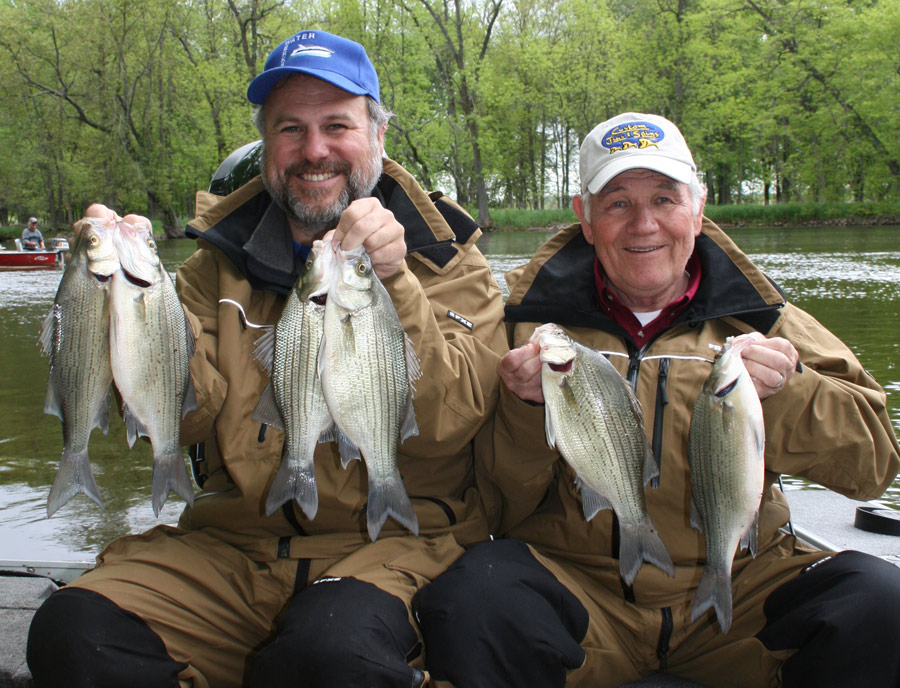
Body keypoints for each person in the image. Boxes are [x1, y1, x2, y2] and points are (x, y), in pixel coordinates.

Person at [27, 29, 507, 688]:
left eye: (337, 124)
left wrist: (394, 282)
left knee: (329, 656)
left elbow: (453, 419)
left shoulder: (452, 262)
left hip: (395, 549)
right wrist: (124, 312)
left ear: (378, 135)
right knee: (75, 633)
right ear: (267, 145)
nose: (314, 150)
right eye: (290, 129)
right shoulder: (208, 268)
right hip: (231, 547)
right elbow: (189, 421)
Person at [413, 113, 900, 688]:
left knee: (880, 604)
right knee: (470, 600)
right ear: (585, 218)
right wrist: (526, 415)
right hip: (580, 594)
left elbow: (874, 468)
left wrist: (788, 394)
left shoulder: (766, 318)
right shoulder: (519, 321)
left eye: (666, 198)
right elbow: (495, 507)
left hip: (746, 587)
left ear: (698, 208)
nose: (644, 224)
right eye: (617, 203)